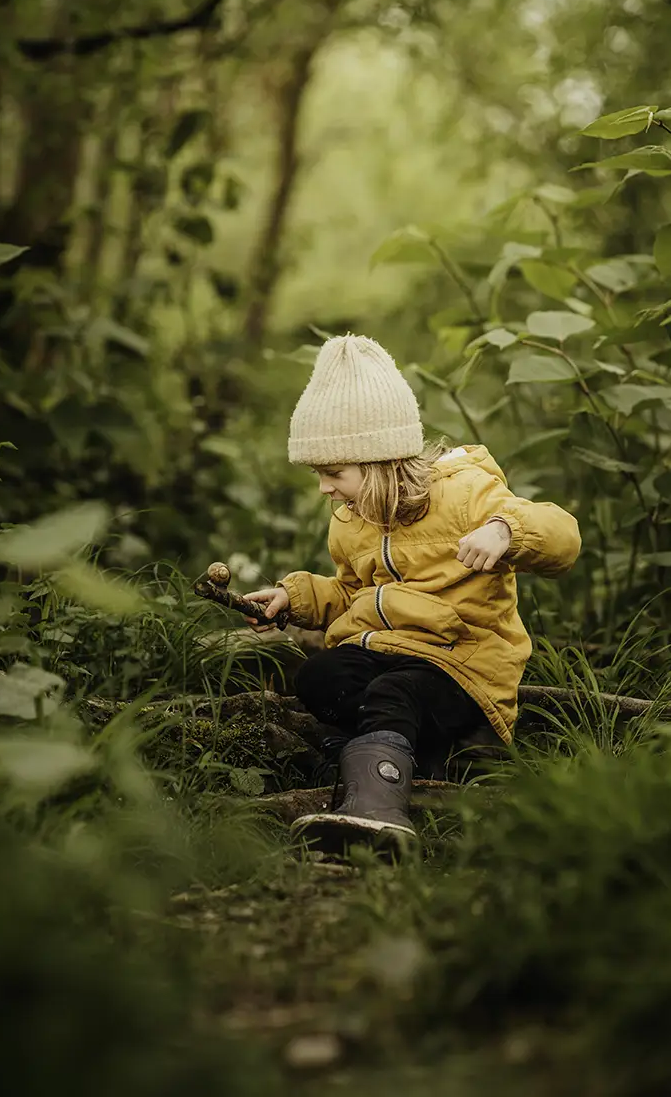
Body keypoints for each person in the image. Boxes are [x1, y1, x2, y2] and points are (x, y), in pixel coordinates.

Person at [243, 333, 581, 853]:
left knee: (394, 695)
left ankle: (377, 809)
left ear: (380, 462)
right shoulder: (351, 523)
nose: (324, 488)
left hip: (462, 663)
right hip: (386, 652)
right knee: (318, 675)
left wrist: (505, 530)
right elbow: (352, 594)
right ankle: (405, 761)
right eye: (319, 474)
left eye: (334, 473)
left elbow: (562, 537)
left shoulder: (465, 495)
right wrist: (297, 597)